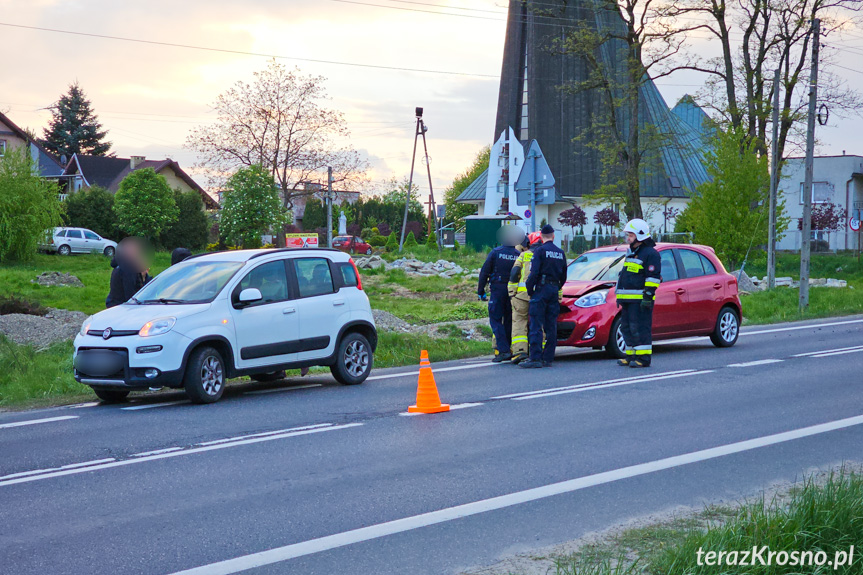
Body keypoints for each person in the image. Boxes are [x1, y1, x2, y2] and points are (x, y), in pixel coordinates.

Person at [615, 218, 661, 368]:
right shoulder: (632, 253)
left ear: (640, 236)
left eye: (630, 235)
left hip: (640, 300)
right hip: (628, 300)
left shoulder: (650, 254)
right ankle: (631, 355)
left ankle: (644, 358)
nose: (628, 238)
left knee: (640, 328)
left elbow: (652, 278)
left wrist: (647, 297)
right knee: (627, 328)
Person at [520, 225, 567, 369]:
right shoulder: (560, 253)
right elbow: (564, 276)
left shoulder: (540, 251)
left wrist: (530, 289)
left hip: (541, 289)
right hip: (553, 289)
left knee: (536, 324)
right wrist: (557, 287)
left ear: (541, 237)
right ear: (553, 236)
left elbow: (533, 273)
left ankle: (535, 358)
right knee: (551, 325)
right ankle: (548, 358)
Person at [478, 227, 520, 362]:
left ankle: (503, 350)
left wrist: (480, 290)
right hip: (513, 291)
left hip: (498, 289)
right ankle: (508, 347)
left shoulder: (496, 252)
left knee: (495, 319)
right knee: (508, 320)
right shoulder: (518, 254)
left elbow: (484, 272)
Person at [507, 231, 543, 364]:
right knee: (539, 324)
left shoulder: (523, 255)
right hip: (539, 296)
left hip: (521, 297)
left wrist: (512, 291)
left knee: (519, 322)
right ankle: (540, 351)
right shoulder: (544, 255)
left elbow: (515, 273)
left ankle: (520, 351)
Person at [106, 238, 151, 308]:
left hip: (114, 303)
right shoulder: (128, 269)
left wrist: (144, 277)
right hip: (120, 307)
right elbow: (130, 294)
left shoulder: (122, 265)